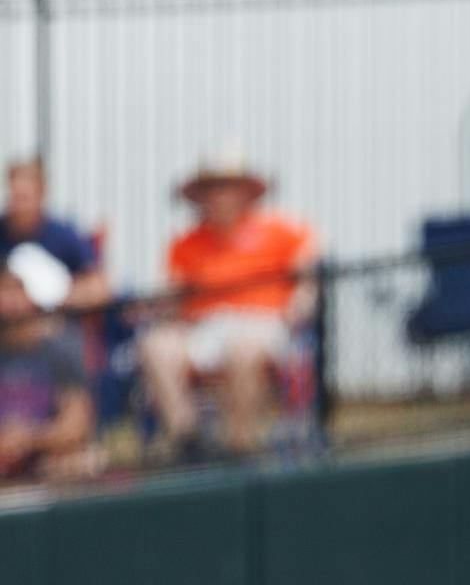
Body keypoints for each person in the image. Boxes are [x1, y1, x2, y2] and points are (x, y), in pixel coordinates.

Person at [138, 151, 316, 457]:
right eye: (211, 189)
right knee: (156, 345)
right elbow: (171, 295)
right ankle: (187, 440)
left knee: (242, 348)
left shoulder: (280, 230)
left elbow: (308, 269)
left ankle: (239, 446)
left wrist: (301, 303)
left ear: (245, 192)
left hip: (263, 326)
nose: (219, 197)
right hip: (202, 328)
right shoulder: (185, 244)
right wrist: (158, 306)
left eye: (227, 187)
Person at [0, 244, 96, 483]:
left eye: (18, 289)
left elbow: (77, 423)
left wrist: (30, 438)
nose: (10, 300)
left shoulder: (61, 348)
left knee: (81, 463)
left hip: (49, 461)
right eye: (5, 289)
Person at [1, 158, 110, 313]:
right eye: (15, 197)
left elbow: (99, 287)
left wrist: (57, 295)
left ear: (41, 196)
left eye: (25, 198)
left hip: (54, 327)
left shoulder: (63, 235)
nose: (19, 207)